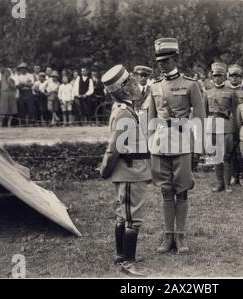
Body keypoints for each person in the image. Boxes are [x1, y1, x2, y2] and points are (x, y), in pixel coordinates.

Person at [148, 38, 205, 254]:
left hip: (182, 143)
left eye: (166, 59)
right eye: (159, 60)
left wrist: (198, 147)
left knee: (181, 190)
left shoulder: (190, 84)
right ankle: (167, 236)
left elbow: (199, 118)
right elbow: (151, 120)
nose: (161, 63)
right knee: (165, 189)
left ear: (176, 58)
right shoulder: (154, 86)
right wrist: (150, 143)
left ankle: (180, 236)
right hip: (160, 144)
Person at [100, 64, 152, 276]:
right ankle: (127, 263)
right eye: (131, 81)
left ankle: (121, 255)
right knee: (132, 217)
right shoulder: (124, 113)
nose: (136, 83)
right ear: (123, 88)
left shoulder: (125, 108)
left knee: (123, 214)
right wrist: (105, 169)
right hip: (131, 171)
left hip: (130, 170)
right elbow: (114, 148)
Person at [204, 62, 236, 193]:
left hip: (226, 125)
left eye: (220, 76)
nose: (217, 78)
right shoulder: (207, 92)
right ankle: (220, 183)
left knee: (226, 156)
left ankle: (228, 184)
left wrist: (234, 129)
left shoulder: (231, 92)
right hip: (212, 125)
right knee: (216, 156)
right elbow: (205, 112)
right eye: (215, 75)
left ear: (224, 77)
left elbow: (235, 111)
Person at [227, 64, 243, 186]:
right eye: (232, 76)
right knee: (232, 151)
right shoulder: (225, 90)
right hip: (229, 124)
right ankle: (234, 175)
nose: (234, 79)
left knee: (242, 151)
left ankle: (242, 175)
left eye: (237, 76)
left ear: (241, 77)